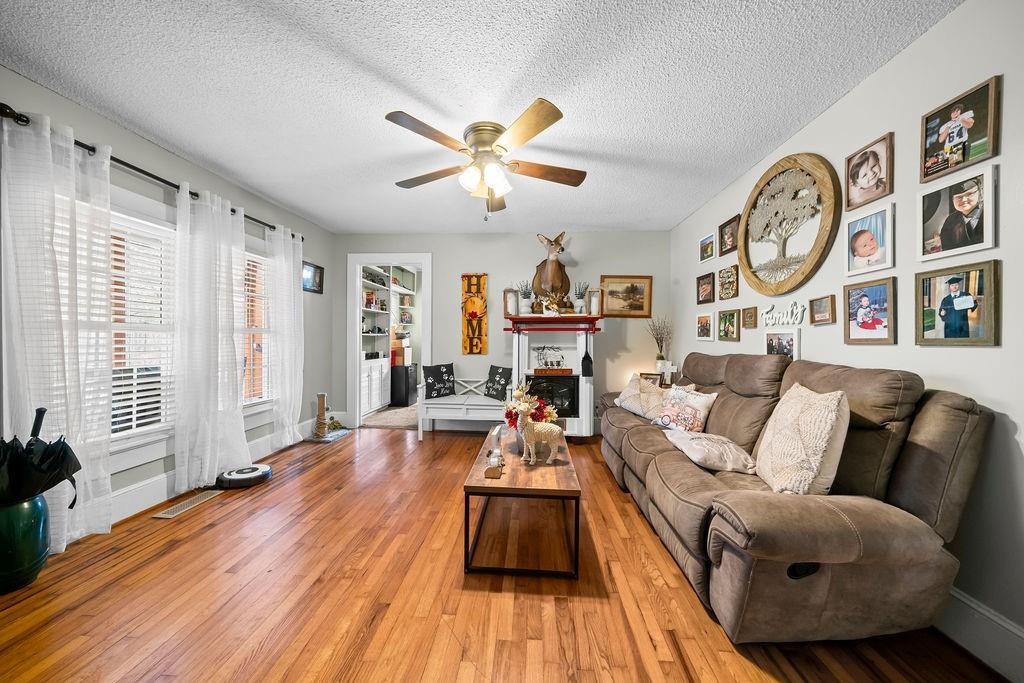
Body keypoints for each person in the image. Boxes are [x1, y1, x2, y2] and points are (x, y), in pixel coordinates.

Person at [939, 178, 984, 252]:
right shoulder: (950, 220)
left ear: (980, 193)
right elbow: (947, 248)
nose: (963, 199)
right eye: (958, 197)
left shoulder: (989, 214)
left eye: (969, 194)